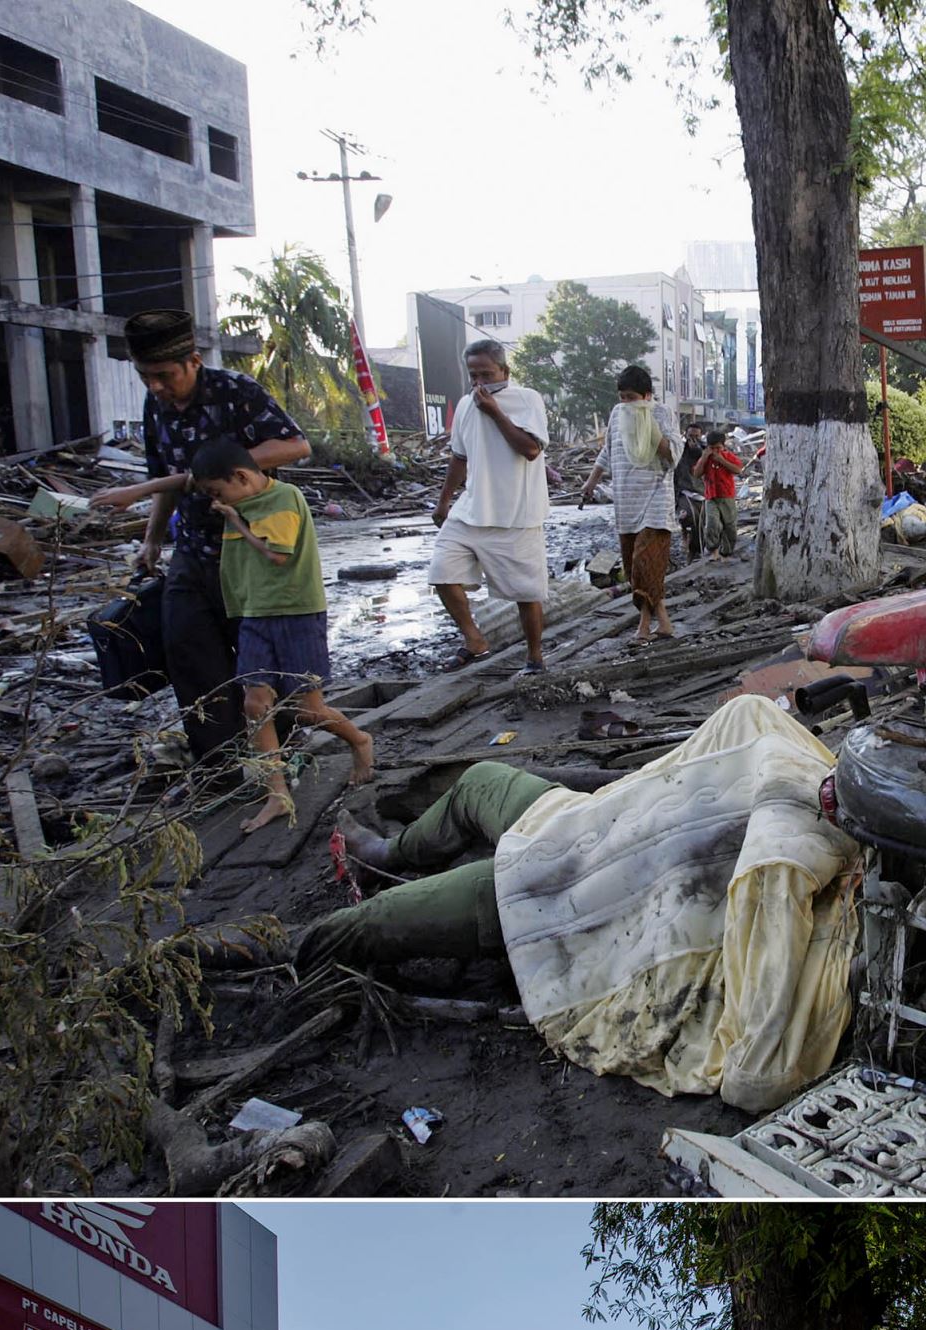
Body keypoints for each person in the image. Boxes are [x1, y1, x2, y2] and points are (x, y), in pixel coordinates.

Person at [87, 310, 310, 770]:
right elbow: (164, 478)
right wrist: (151, 541)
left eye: (164, 376)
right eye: (146, 377)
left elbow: (295, 444)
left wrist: (216, 468)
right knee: (188, 652)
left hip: (250, 549)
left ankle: (280, 753)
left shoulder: (235, 391)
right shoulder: (156, 405)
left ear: (192, 361)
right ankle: (219, 764)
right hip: (192, 551)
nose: (155, 387)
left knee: (258, 657)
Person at [190, 437, 375, 834]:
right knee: (255, 704)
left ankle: (359, 740)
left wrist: (236, 521)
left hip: (296, 612)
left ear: (241, 477)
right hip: (255, 614)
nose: (217, 501)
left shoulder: (283, 498)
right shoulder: (239, 504)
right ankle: (276, 793)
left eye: (218, 492)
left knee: (308, 710)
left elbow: (278, 554)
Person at [299, 751, 618, 978]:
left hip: (594, 887)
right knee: (480, 779)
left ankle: (290, 947)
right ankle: (384, 855)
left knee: (373, 919)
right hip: (606, 819)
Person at [430, 338, 550, 673]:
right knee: (441, 571)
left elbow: (530, 449)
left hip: (517, 512)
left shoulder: (527, 399)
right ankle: (474, 639)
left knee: (527, 592)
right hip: (472, 509)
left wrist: (495, 412)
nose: (479, 382)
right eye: (473, 375)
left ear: (504, 371)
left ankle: (535, 658)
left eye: (486, 374)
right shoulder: (466, 405)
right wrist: (443, 502)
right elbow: (459, 457)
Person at [578, 363, 680, 642]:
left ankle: (643, 627)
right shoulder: (617, 413)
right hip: (625, 501)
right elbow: (608, 450)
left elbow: (673, 454)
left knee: (645, 563)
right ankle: (664, 622)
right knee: (637, 570)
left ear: (647, 395)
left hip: (656, 500)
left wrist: (650, 427)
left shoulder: (662, 413)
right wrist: (591, 482)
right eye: (622, 397)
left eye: (632, 398)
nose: (626, 403)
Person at [699, 428, 743, 558]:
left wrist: (722, 460)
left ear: (723, 446)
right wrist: (704, 458)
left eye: (718, 448)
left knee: (730, 527)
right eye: (712, 448)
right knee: (712, 524)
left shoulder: (728, 456)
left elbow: (738, 470)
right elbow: (696, 473)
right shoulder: (706, 458)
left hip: (727, 495)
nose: (715, 451)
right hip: (711, 497)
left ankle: (726, 552)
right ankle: (712, 549)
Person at [674, 420, 707, 561]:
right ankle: (686, 537)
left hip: (701, 491)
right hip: (683, 490)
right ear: (685, 435)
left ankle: (696, 549)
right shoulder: (679, 449)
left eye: (696, 436)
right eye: (690, 436)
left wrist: (698, 451)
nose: (693, 439)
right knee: (688, 515)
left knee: (700, 521)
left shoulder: (705, 450)